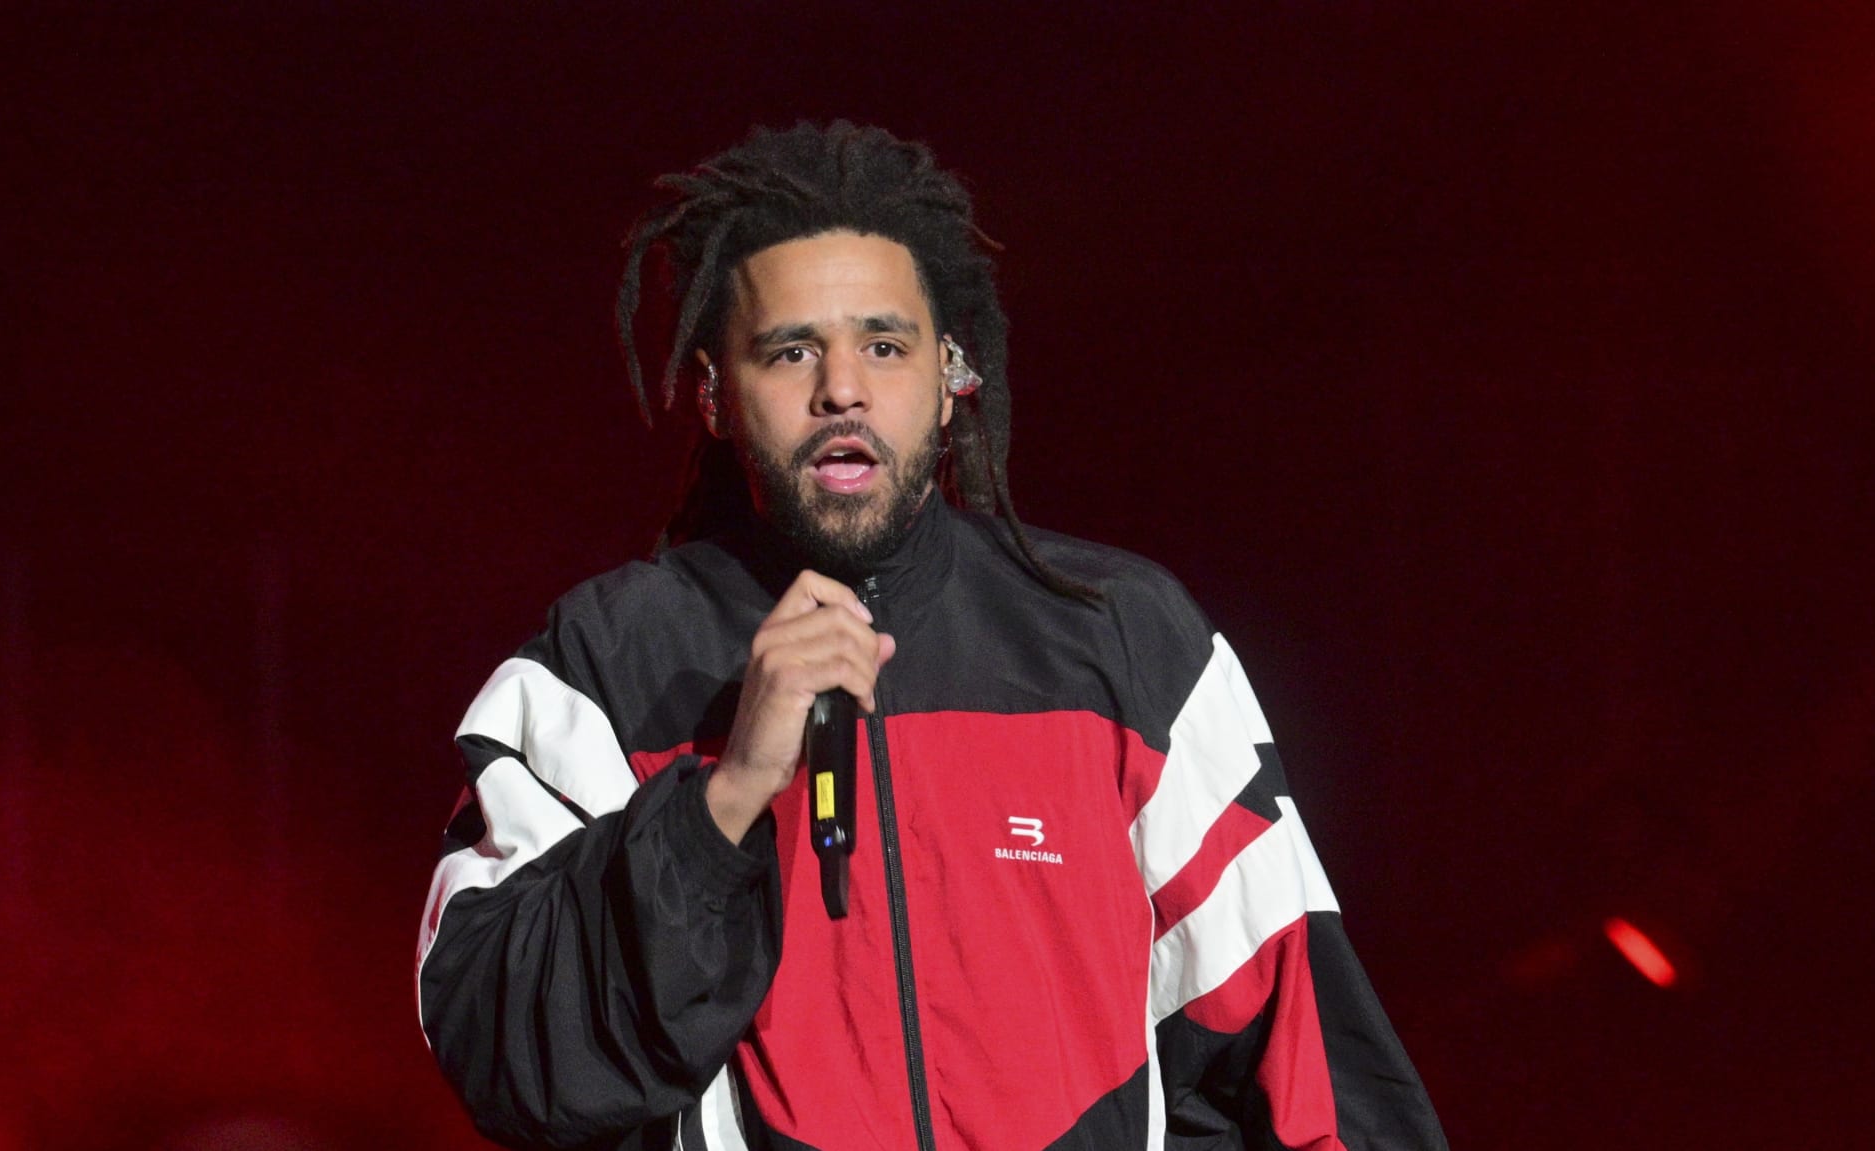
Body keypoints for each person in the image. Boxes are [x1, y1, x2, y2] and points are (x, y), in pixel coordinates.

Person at [416, 121, 1446, 1151]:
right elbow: (507, 1055)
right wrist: (723, 797)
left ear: (953, 372)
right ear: (713, 393)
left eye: (882, 343)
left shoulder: (1121, 639)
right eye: (789, 351)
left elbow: (1301, 1052)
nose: (842, 389)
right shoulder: (603, 661)